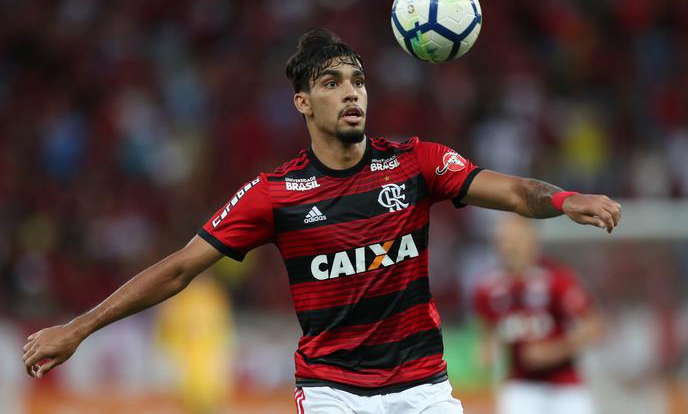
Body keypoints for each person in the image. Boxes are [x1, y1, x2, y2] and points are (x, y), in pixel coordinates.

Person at [22, 29, 621, 414]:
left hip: (425, 389)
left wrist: (566, 199)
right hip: (335, 391)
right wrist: (78, 328)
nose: (351, 93)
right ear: (303, 103)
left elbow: (515, 191)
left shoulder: (417, 162)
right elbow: (179, 269)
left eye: (358, 81)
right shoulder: (274, 193)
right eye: (332, 83)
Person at [473, 214, 603, 414]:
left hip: (565, 386)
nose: (507, 247)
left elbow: (593, 327)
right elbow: (487, 336)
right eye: (502, 240)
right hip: (520, 386)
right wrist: (488, 352)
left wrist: (553, 351)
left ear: (531, 240)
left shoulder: (557, 279)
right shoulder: (487, 289)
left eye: (514, 239)